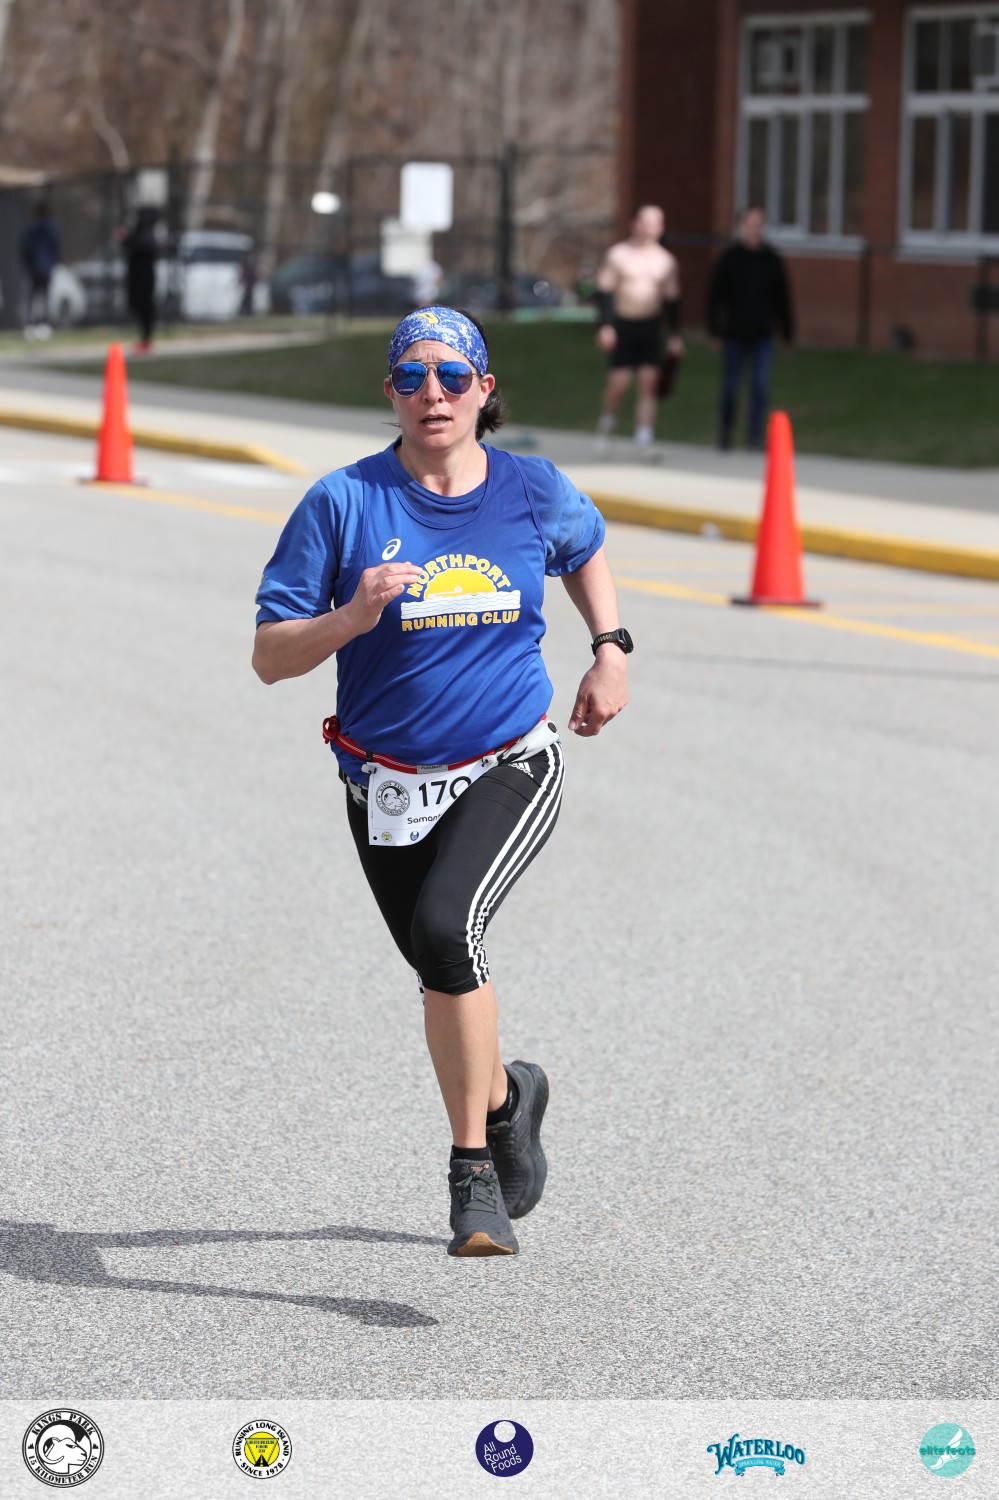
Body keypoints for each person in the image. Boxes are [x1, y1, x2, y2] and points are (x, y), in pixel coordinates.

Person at [253, 305, 631, 1258]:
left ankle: (472, 1176)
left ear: (483, 390)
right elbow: (268, 656)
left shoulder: (531, 488)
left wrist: (610, 648)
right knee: (441, 965)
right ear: (389, 391)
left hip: (510, 760)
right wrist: (348, 618)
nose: (434, 394)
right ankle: (506, 1098)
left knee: (443, 930)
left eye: (453, 377)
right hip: (382, 785)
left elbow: (584, 547)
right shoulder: (342, 503)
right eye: (412, 377)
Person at [593, 204, 683, 452]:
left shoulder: (666, 261)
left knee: (649, 382)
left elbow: (672, 300)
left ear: (661, 227)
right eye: (645, 222)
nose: (649, 227)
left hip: (650, 326)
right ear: (634, 224)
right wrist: (605, 326)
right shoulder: (618, 255)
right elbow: (604, 292)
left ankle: (644, 438)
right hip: (623, 324)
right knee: (620, 382)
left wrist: (675, 335)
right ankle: (607, 424)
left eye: (655, 223)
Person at [706, 206, 795, 451]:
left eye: (759, 223)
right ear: (742, 226)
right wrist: (714, 330)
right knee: (731, 386)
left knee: (760, 387)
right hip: (734, 333)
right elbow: (715, 297)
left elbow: (782, 299)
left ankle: (754, 436)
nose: (755, 228)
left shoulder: (772, 259)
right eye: (750, 223)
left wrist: (787, 332)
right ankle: (725, 433)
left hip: (763, 334)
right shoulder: (729, 258)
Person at [120, 206, 160, 352]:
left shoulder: (146, 233)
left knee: (145, 307)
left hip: (144, 277)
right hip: (138, 276)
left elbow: (143, 247)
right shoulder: (139, 233)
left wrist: (127, 239)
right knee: (139, 307)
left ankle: (146, 339)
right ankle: (144, 338)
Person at [19, 202, 61, 339]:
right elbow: (56, 248)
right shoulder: (53, 229)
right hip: (46, 269)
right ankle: (45, 324)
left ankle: (29, 325)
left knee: (30, 298)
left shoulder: (31, 229)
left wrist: (28, 263)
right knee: (45, 297)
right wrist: (52, 263)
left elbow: (24, 248)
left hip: (32, 268)